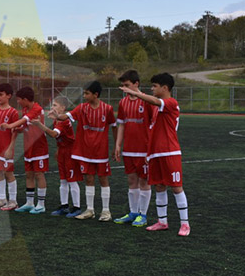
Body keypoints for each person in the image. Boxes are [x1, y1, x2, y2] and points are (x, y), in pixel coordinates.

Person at [120, 72, 190, 236]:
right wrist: (149, 152)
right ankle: (162, 221)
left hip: (170, 152)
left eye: (154, 86)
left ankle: (185, 224)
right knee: (159, 186)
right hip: (155, 153)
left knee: (176, 187)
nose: (152, 89)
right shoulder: (157, 108)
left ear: (165, 88)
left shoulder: (171, 103)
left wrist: (136, 93)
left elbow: (155, 101)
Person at [55, 81, 117, 221]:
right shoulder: (82, 108)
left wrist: (116, 146)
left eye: (87, 93)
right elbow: (66, 116)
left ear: (96, 94)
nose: (84, 96)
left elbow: (114, 126)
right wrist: (57, 115)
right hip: (85, 151)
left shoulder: (107, 109)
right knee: (89, 178)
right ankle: (90, 210)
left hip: (101, 151)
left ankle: (106, 211)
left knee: (103, 179)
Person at [113, 70, 155, 227]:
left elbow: (153, 126)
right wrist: (118, 144)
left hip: (144, 149)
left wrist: (150, 149)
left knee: (144, 181)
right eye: (122, 86)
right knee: (131, 180)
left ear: (136, 84)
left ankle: (143, 215)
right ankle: (133, 212)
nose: (124, 88)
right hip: (129, 149)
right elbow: (122, 125)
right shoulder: (123, 103)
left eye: (127, 85)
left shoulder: (147, 101)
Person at [32, 96, 83, 217]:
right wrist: (58, 149)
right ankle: (64, 206)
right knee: (63, 180)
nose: (52, 107)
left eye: (55, 105)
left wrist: (40, 125)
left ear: (62, 108)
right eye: (52, 105)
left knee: (72, 180)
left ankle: (77, 207)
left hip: (70, 152)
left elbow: (54, 134)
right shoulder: (57, 120)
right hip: (62, 151)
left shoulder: (64, 121)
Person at [2, 86, 49, 214]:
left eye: (19, 99)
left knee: (39, 174)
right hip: (28, 147)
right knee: (29, 174)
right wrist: (18, 129)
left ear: (25, 99)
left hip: (39, 147)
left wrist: (10, 125)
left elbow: (24, 120)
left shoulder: (37, 109)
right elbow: (25, 125)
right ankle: (29, 203)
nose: (18, 102)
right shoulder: (25, 109)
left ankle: (41, 204)